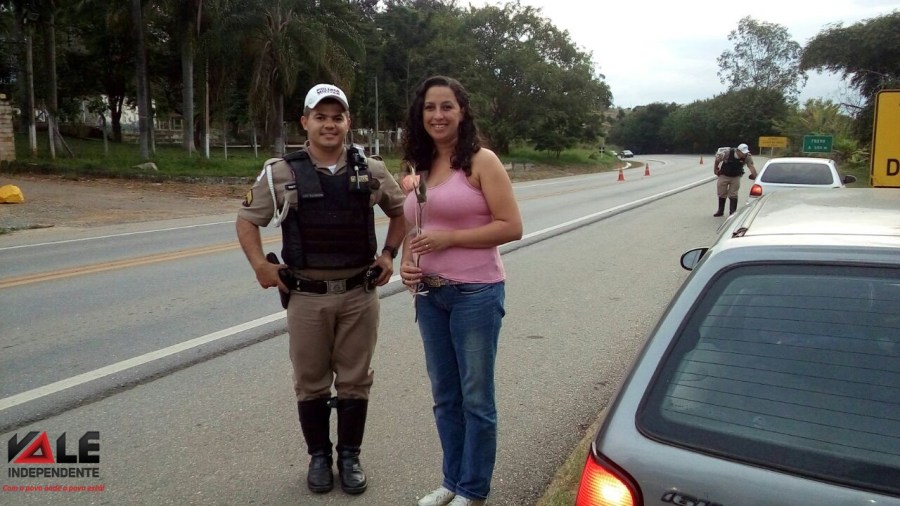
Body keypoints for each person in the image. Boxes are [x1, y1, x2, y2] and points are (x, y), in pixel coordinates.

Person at [235, 83, 407, 496]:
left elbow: (402, 212)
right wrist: (260, 265)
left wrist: (389, 254)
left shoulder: (371, 170)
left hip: (358, 294)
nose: (329, 124)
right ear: (305, 122)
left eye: (337, 117)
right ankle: (318, 457)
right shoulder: (280, 172)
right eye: (320, 117)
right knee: (310, 381)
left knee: (355, 380)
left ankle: (349, 456)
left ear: (348, 122)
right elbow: (247, 220)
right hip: (307, 297)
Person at [398, 76, 523, 506]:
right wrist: (407, 264)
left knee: (476, 398)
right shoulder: (419, 166)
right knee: (445, 398)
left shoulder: (481, 161)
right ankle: (450, 482)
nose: (438, 115)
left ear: (462, 111)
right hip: (430, 296)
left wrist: (450, 240)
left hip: (475, 293)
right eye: (430, 107)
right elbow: (417, 227)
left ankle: (472, 489)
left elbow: (511, 226)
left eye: (446, 106)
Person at [713, 143, 758, 216]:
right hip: (724, 175)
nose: (744, 154)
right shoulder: (727, 153)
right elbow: (717, 160)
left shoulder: (747, 157)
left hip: (736, 177)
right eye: (743, 152)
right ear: (738, 151)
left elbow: (751, 166)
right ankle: (720, 211)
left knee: (733, 194)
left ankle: (732, 212)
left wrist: (755, 176)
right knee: (721, 193)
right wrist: (715, 169)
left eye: (745, 152)